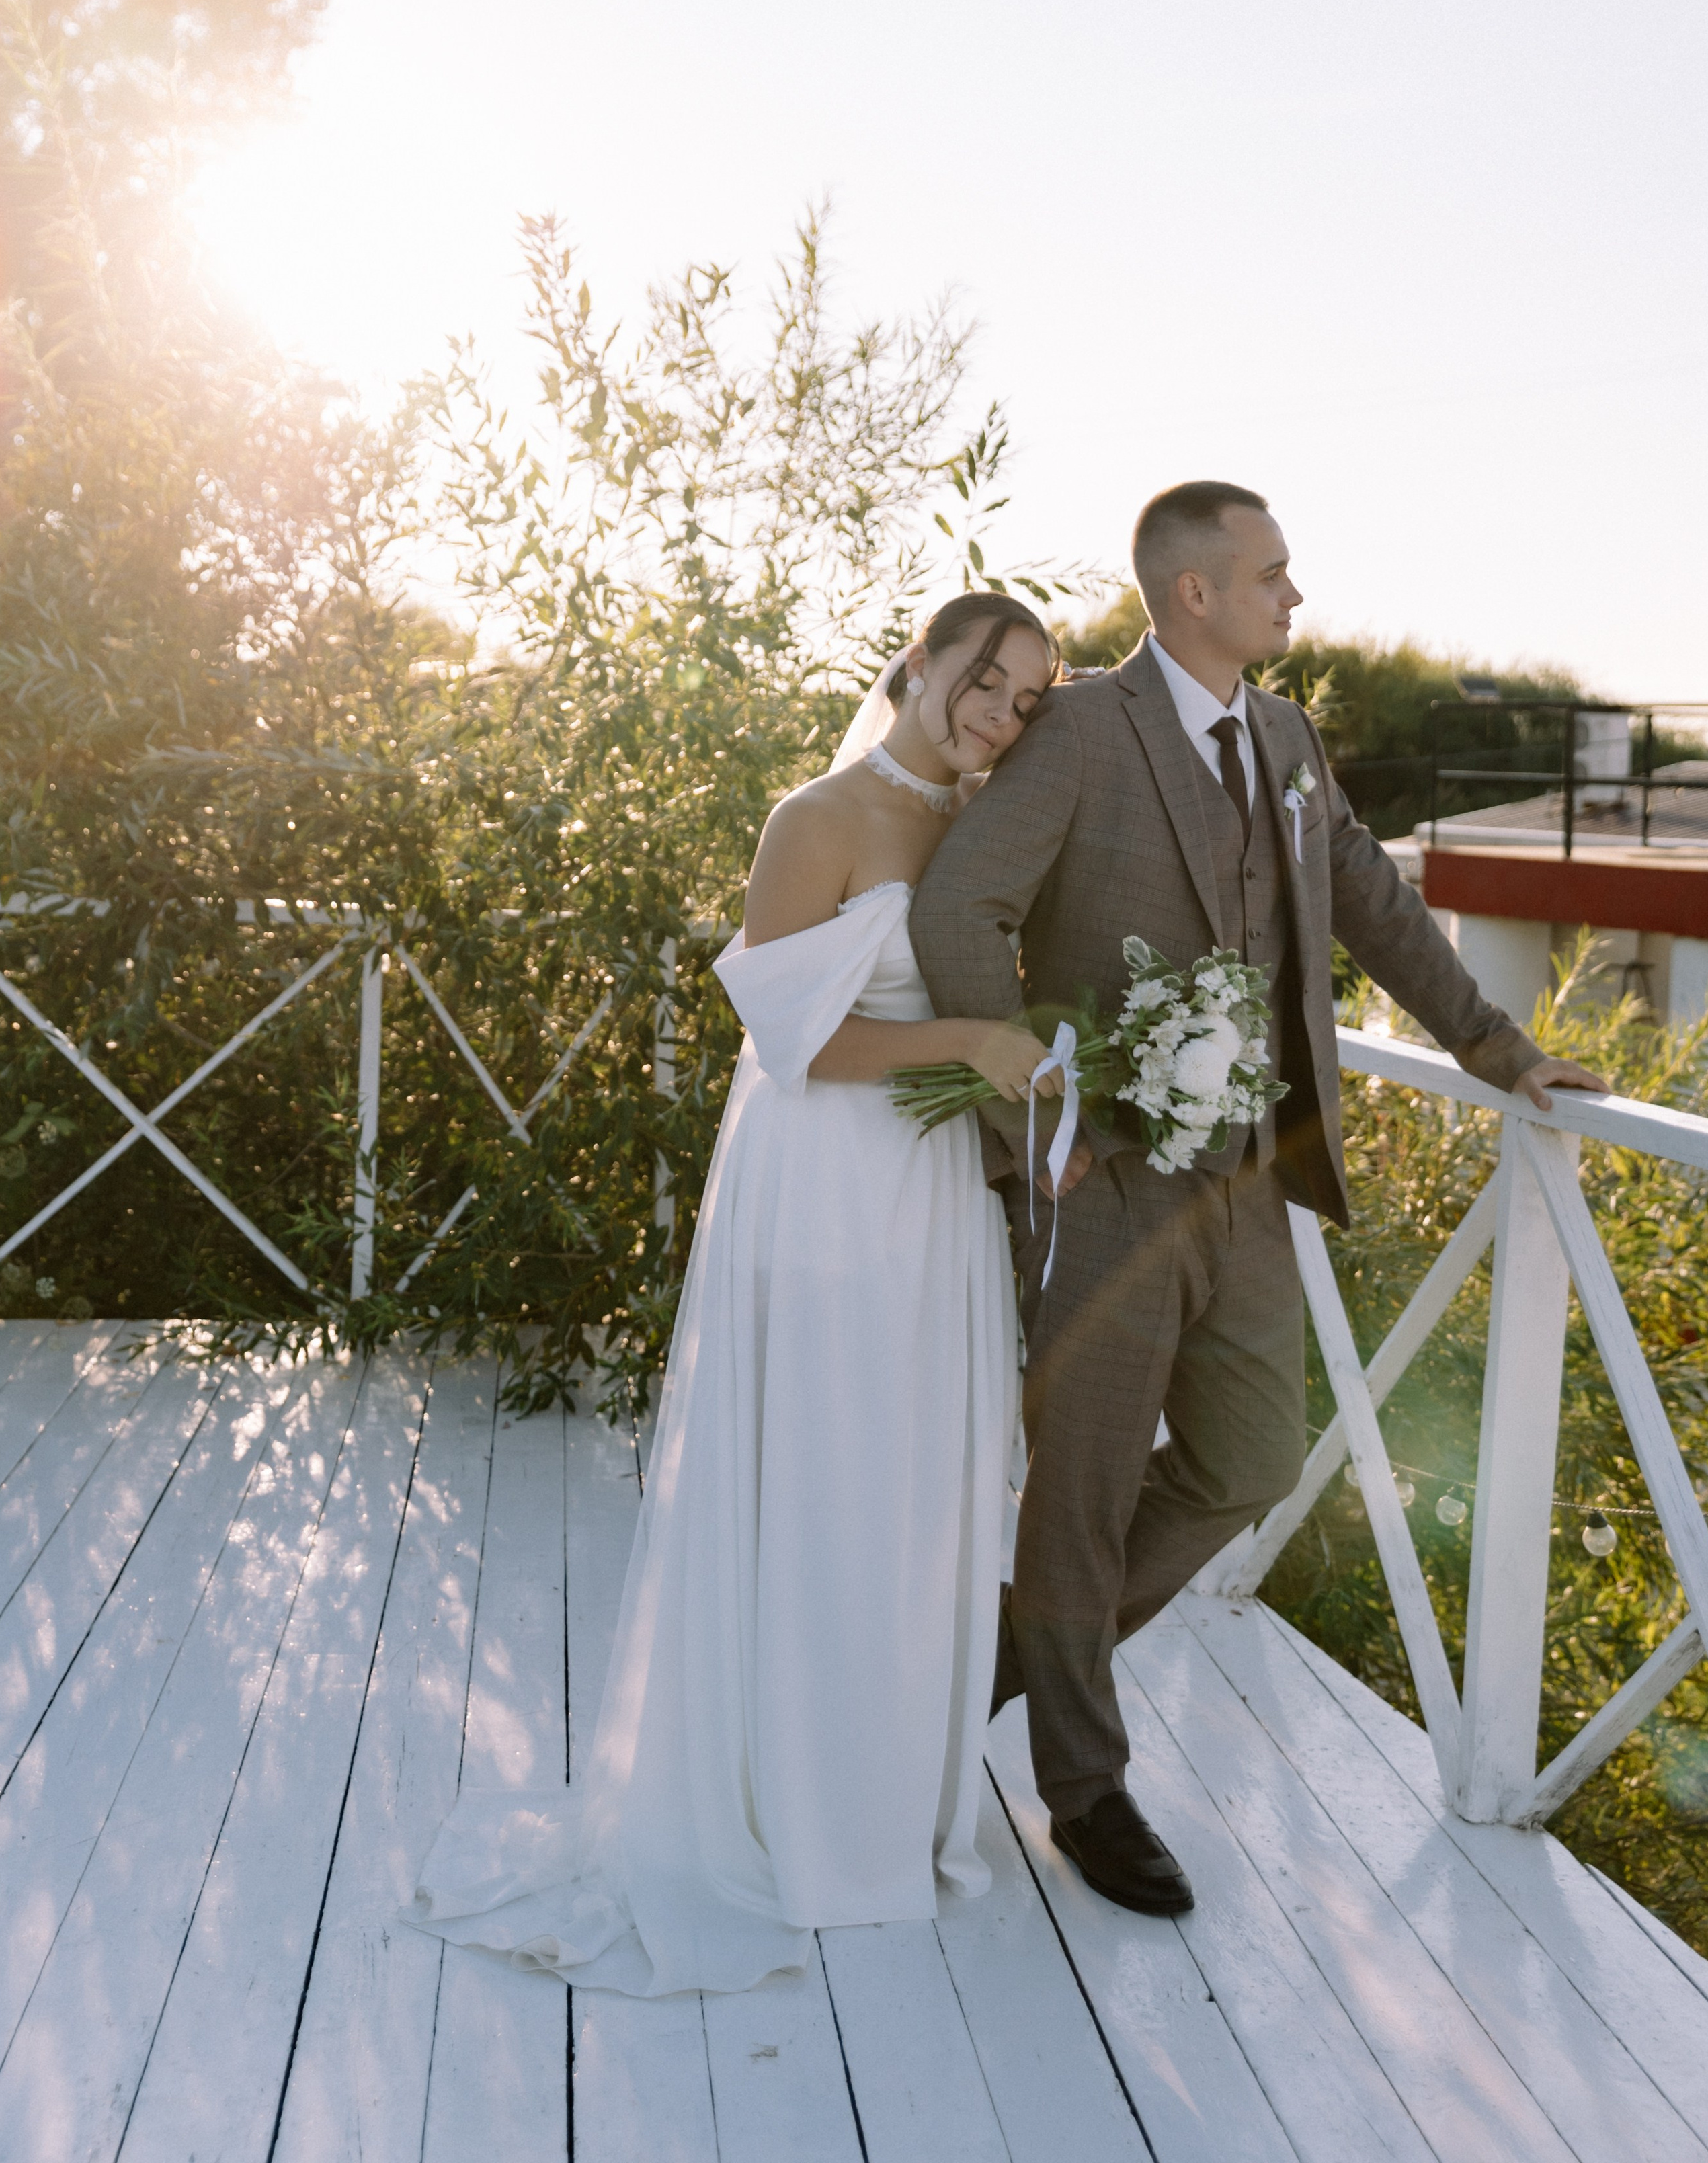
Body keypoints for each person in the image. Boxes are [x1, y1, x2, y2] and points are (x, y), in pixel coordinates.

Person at [909, 482, 1604, 1920]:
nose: (1295, 596)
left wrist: (1500, 1046)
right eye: (1270, 574)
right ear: (1192, 596)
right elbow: (956, 904)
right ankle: (1084, 1790)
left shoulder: (1284, 739)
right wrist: (1036, 1098)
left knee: (1246, 1459)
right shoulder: (1084, 732)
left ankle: (1012, 1658)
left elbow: (1372, 903)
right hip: (1101, 1184)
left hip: (1251, 1176)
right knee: (1086, 1496)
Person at [409, 591, 1059, 1994]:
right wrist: (971, 1039)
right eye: (982, 681)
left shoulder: (982, 824)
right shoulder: (812, 817)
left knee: (913, 1487)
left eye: (1023, 701)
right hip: (827, 1182)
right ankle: (790, 1811)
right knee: (823, 1473)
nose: (998, 716)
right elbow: (788, 1040)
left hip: (935, 1193)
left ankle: (887, 1802)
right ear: (918, 661)